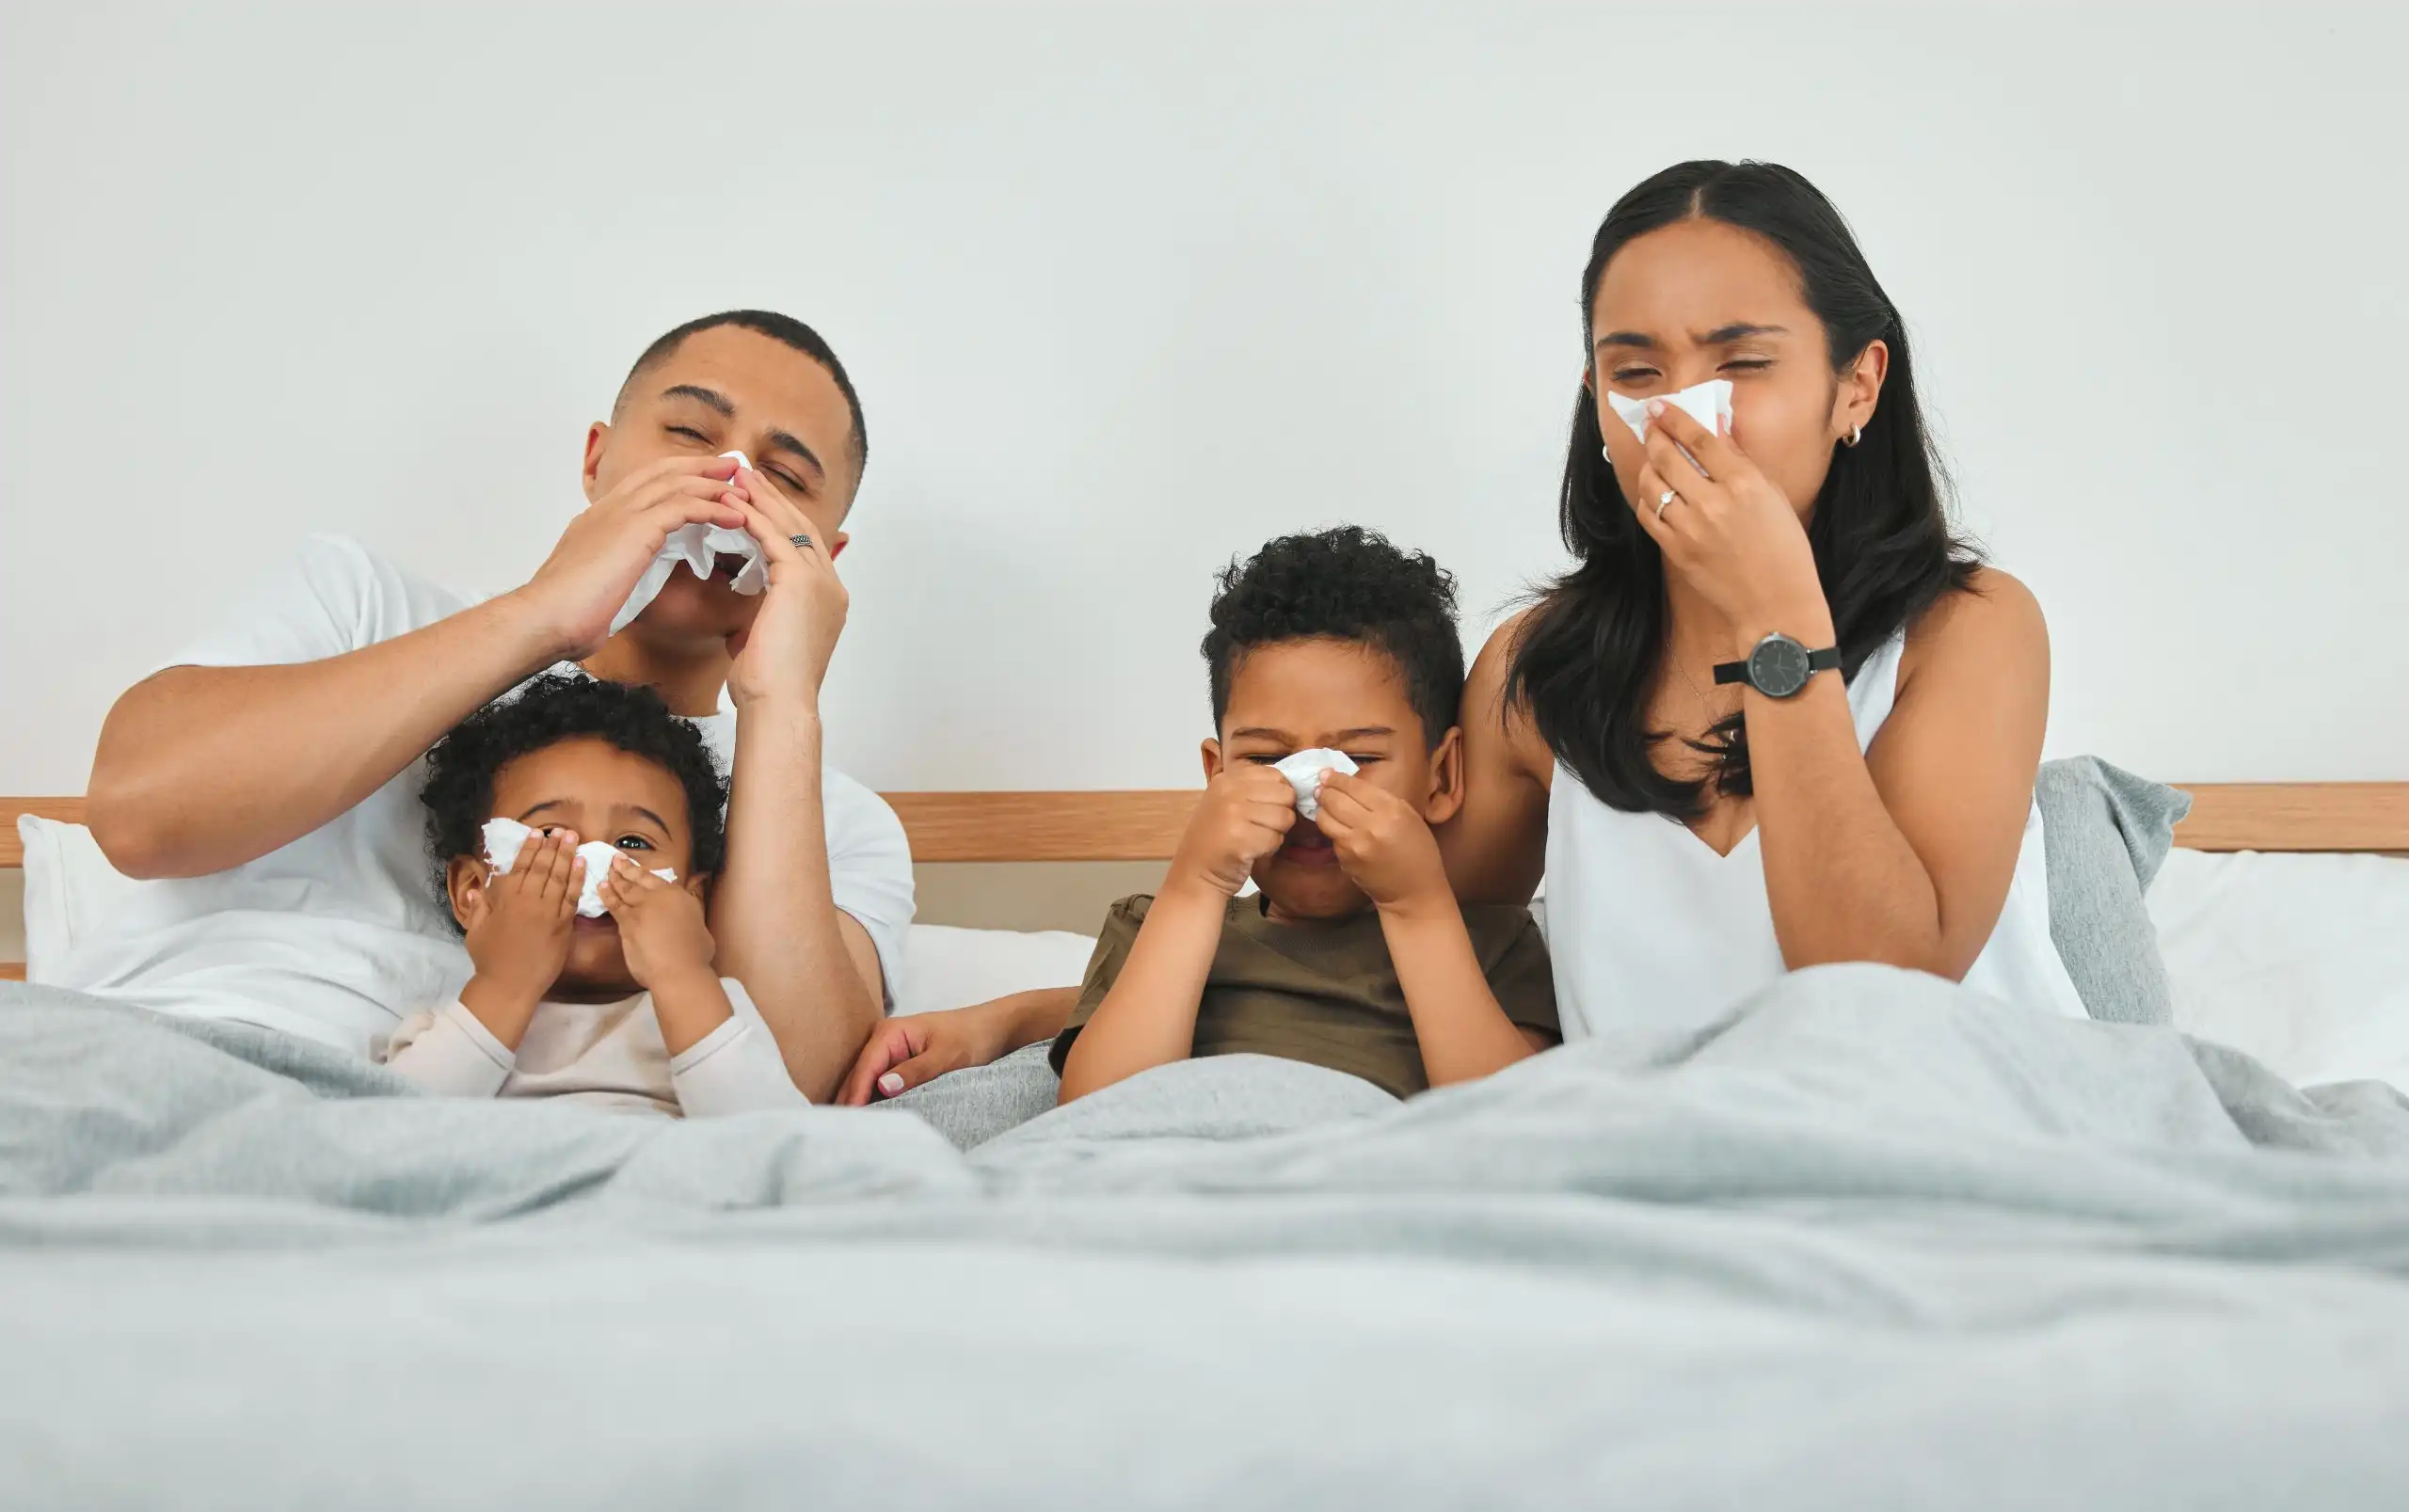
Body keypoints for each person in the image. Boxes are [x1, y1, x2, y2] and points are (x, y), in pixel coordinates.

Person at [83, 310, 911, 1102]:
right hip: (176, 1064)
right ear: (597, 461)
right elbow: (137, 812)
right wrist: (541, 616)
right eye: (692, 435)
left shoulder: (839, 821)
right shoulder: (362, 605)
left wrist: (782, 702)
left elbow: (801, 1092)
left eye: (784, 477)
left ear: (825, 557)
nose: (731, 488)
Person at [1438, 160, 2084, 1036]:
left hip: (1962, 1141)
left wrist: (1775, 619)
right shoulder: (1534, 671)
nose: (1689, 417)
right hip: (1657, 1161)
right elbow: (1430, 963)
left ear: (1856, 385)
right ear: (1594, 402)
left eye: (1742, 362)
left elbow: (1884, 994)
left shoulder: (1970, 631)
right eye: (1635, 374)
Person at [1051, 527, 1558, 1104]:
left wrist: (1416, 908)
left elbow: (1513, 1125)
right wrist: (1196, 886)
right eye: (1267, 758)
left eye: (1359, 759)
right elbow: (1095, 1115)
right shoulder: (1150, 928)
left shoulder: (1492, 943)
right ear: (1216, 775)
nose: (1309, 793)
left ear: (1441, 778)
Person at [378, 674, 804, 1116]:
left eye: (633, 843)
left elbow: (774, 1144)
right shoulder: (446, 1030)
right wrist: (504, 986)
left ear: (691, 900)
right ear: (472, 892)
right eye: (550, 835)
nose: (591, 864)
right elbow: (385, 1139)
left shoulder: (711, 1015)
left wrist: (683, 977)